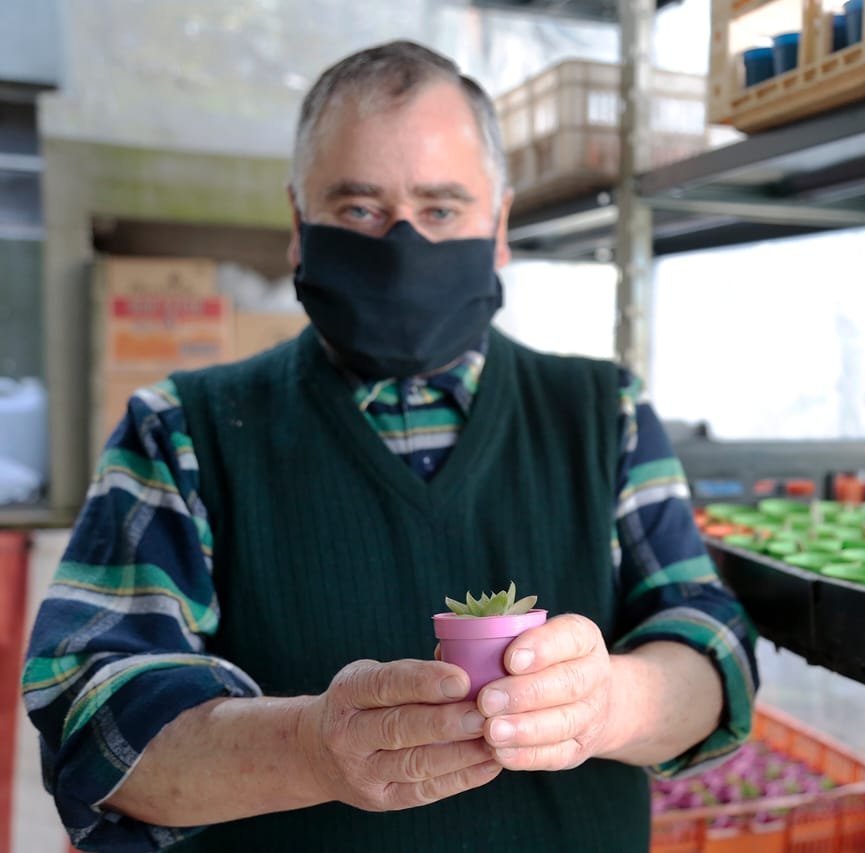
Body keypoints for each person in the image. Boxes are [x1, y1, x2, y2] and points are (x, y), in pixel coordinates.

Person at [22, 40, 758, 852]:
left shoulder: (602, 414)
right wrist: (310, 748)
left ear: (500, 225)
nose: (403, 245)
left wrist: (611, 702)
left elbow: (711, 644)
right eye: (359, 210)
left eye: (441, 209)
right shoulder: (183, 429)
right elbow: (91, 711)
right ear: (300, 226)